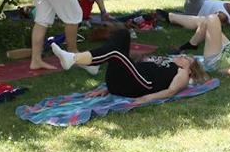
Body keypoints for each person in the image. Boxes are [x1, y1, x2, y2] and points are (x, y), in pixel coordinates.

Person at [51, 29, 209, 104]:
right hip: (128, 80)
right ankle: (93, 64)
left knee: (116, 54)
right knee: (122, 34)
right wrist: (107, 89)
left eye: (188, 58)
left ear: (191, 70)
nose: (183, 56)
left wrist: (145, 99)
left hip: (141, 84)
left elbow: (171, 91)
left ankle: (73, 58)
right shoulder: (169, 61)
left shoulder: (183, 73)